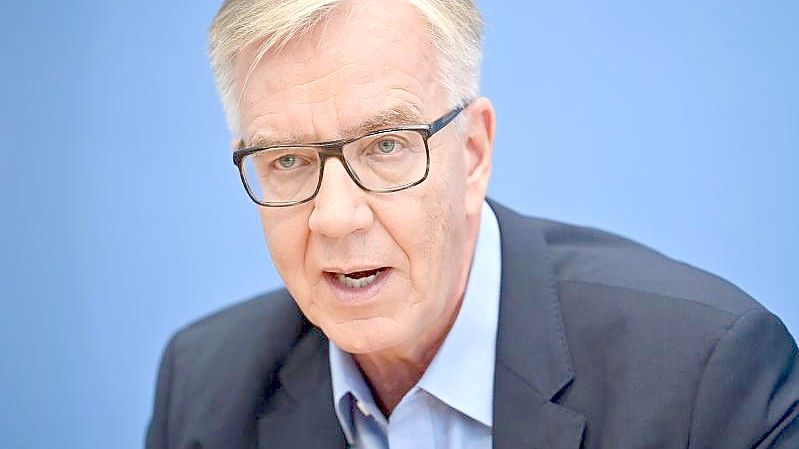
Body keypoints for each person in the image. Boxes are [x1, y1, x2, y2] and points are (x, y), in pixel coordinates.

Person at [146, 1, 799, 448]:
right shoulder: (205, 387)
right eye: (285, 159)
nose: (336, 217)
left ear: (473, 152)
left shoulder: (705, 375)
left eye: (385, 144)